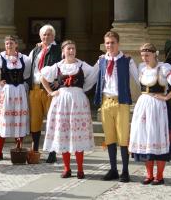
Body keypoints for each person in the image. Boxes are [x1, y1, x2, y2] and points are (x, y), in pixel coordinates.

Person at [41, 40, 97, 179]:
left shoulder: (82, 65)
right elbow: (42, 77)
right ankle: (67, 168)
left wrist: (83, 89)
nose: (71, 51)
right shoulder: (58, 66)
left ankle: (80, 169)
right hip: (61, 101)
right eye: (68, 49)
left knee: (78, 134)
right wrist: (51, 91)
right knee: (63, 134)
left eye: (73, 48)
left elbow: (95, 74)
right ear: (63, 51)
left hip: (78, 102)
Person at [129, 43, 171, 185]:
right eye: (142, 55)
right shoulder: (141, 67)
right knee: (145, 139)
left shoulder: (164, 68)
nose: (144, 58)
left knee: (158, 137)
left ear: (154, 54)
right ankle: (149, 175)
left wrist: (166, 97)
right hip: (143, 106)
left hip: (158, 107)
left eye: (147, 55)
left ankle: (159, 176)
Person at [93, 31, 139, 183]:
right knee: (109, 136)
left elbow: (138, 78)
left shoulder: (127, 60)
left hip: (121, 102)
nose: (110, 45)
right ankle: (113, 169)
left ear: (118, 43)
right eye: (107, 43)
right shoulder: (101, 60)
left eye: (112, 42)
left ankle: (125, 171)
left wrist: (150, 92)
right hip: (106, 101)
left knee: (123, 137)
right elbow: (90, 77)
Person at [0, 36, 31, 161]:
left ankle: (18, 149)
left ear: (16, 45)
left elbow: (28, 72)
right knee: (4, 118)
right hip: (6, 91)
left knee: (18, 117)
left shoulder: (24, 59)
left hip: (19, 91)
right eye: (7, 43)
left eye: (11, 43)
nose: (8, 45)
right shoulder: (1, 57)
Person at [28, 24, 62, 163]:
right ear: (40, 36)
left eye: (49, 34)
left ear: (53, 36)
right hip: (35, 89)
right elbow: (28, 65)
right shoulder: (35, 50)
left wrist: (59, 81)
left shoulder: (58, 50)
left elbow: (65, 65)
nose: (46, 37)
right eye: (44, 34)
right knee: (35, 121)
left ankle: (52, 152)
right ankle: (35, 150)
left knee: (51, 121)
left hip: (49, 91)